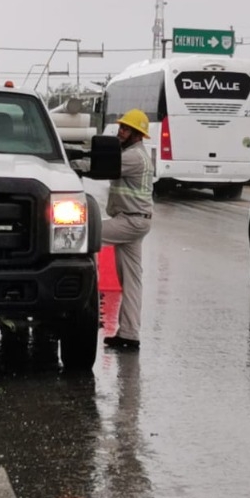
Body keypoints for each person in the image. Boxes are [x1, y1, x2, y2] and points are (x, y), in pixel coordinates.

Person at [98, 108, 154, 351]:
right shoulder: (134, 153)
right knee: (131, 281)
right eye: (121, 127)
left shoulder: (132, 157)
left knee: (83, 234)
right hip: (135, 220)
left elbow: (100, 167)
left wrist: (70, 163)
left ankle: (90, 300)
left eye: (125, 128)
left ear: (138, 134)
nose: (120, 131)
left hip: (130, 222)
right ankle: (129, 335)